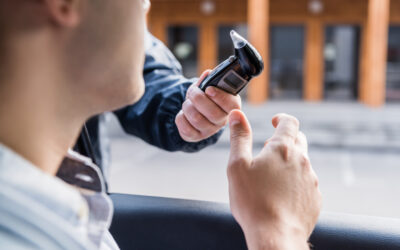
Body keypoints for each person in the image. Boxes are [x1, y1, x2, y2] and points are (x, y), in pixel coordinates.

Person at [0, 0, 321, 249]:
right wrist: (278, 232)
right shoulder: (28, 234)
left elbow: (147, 71)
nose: (146, 6)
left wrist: (184, 105)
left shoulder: (63, 209)